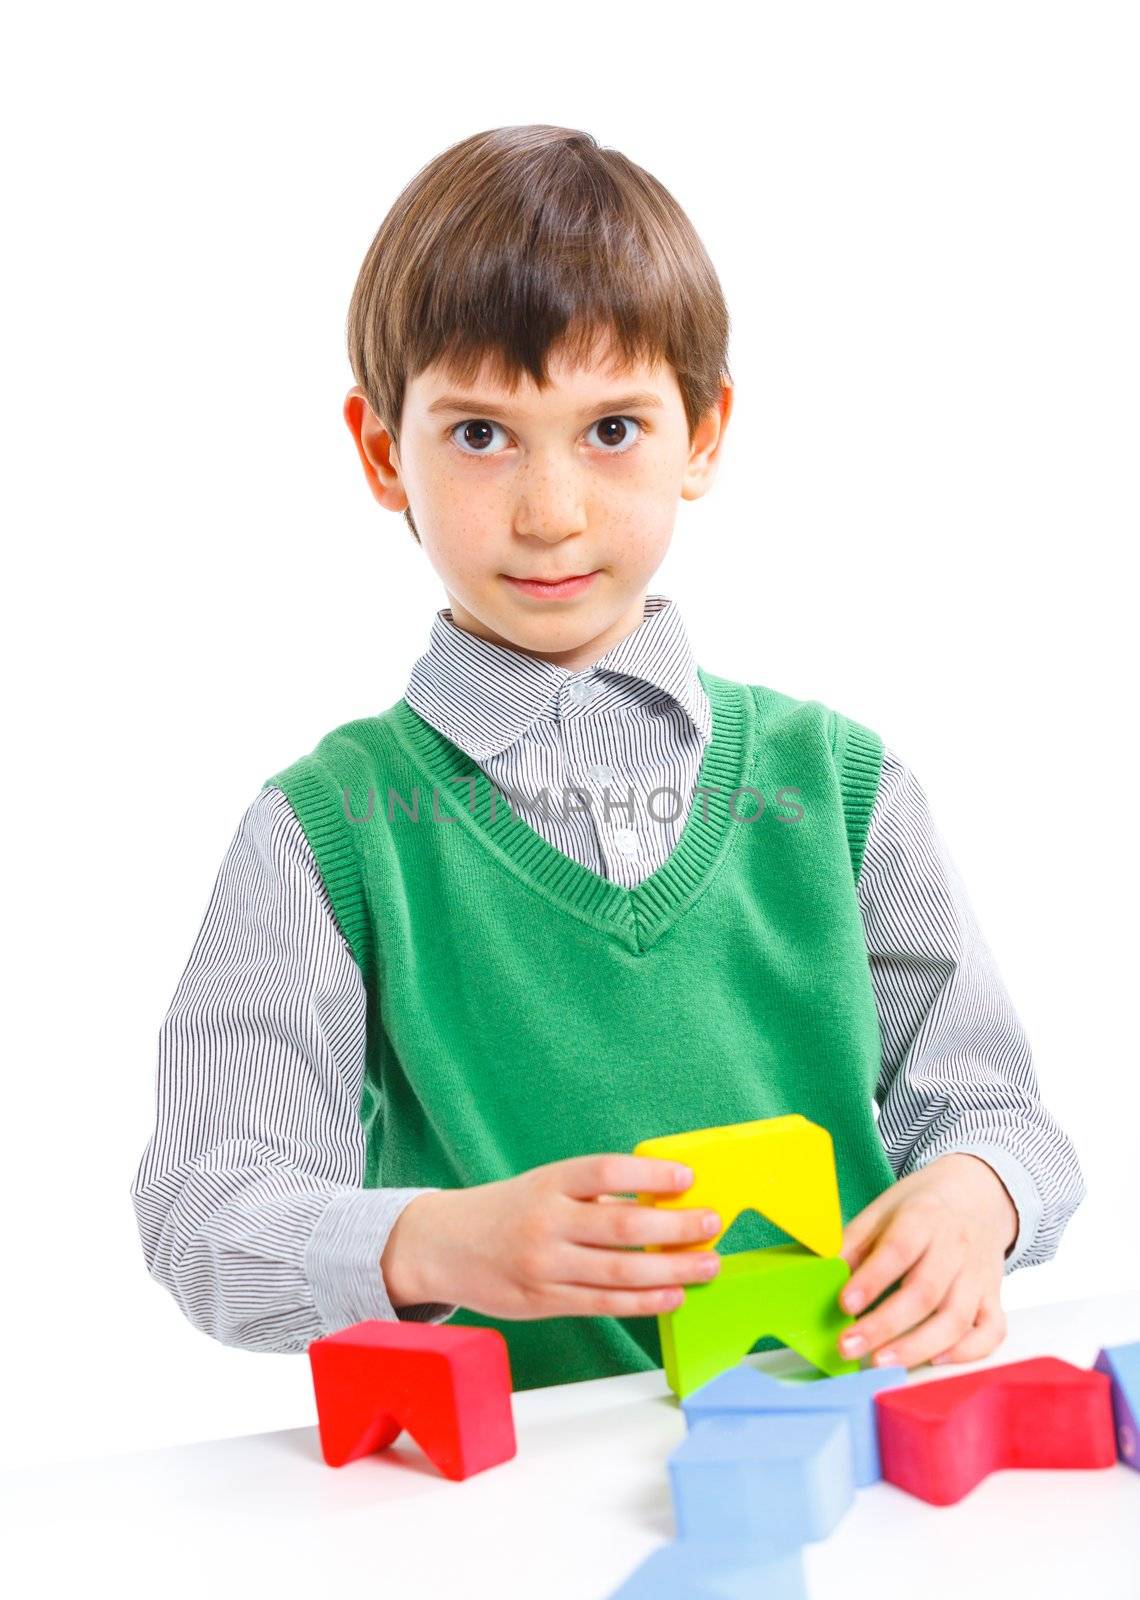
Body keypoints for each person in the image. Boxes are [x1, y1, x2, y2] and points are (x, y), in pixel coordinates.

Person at [130, 123, 1086, 1393]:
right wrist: (432, 1242)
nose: (550, 509)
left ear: (703, 433)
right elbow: (201, 1213)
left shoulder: (842, 787)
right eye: (479, 435)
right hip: (505, 1516)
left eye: (612, 428)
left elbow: (1000, 1117)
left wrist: (976, 1201)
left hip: (848, 1449)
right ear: (380, 453)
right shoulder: (332, 830)